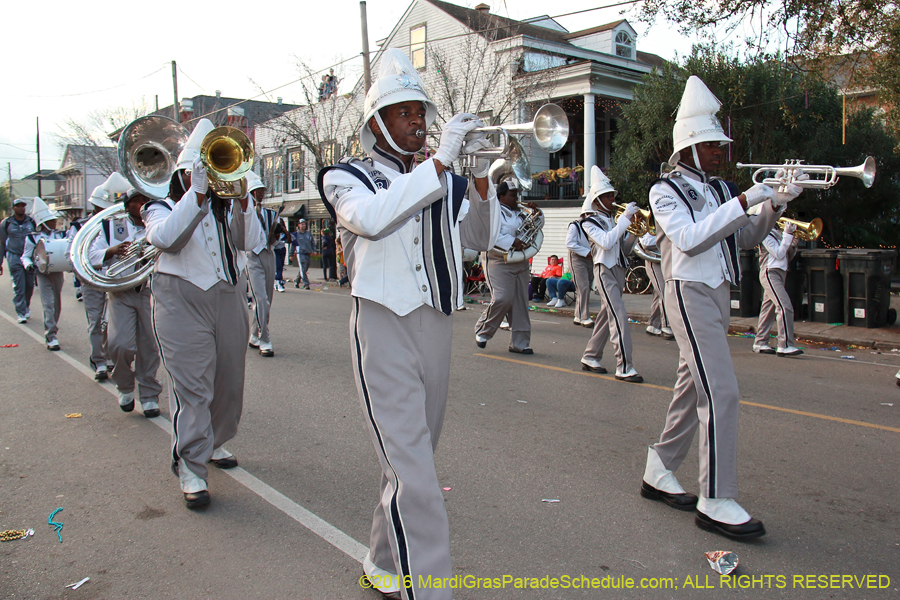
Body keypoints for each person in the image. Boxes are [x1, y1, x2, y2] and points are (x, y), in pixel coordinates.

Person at [318, 48, 498, 600]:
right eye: (403, 112)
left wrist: (483, 181)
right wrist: (441, 163)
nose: (417, 120)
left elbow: (479, 241)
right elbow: (372, 219)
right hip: (383, 325)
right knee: (414, 473)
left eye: (420, 109)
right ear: (376, 125)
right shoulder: (344, 177)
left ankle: (380, 561)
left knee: (413, 459)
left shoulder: (440, 175)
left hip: (437, 326)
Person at [641, 76, 804, 540]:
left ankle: (660, 467)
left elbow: (746, 239)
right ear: (688, 148)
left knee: (694, 388)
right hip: (688, 291)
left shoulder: (718, 189)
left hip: (717, 292)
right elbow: (690, 240)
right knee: (723, 392)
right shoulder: (664, 191)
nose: (720, 151)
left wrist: (773, 204)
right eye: (711, 144)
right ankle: (715, 498)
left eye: (720, 144)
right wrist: (745, 199)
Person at [143, 118, 265, 510]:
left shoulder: (227, 205)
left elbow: (251, 242)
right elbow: (167, 239)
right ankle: (191, 465)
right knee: (193, 386)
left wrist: (244, 200)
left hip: (228, 295)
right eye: (199, 171)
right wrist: (195, 196)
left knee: (229, 380)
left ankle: (214, 442)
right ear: (184, 173)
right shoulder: (159, 206)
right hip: (180, 299)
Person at [89, 188, 163, 417]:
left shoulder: (158, 221)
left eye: (144, 200)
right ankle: (125, 386)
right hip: (121, 291)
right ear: (127, 204)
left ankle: (149, 395)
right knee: (119, 345)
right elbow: (91, 255)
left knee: (149, 347)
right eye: (135, 200)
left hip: (150, 291)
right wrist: (111, 251)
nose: (140, 204)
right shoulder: (111, 226)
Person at [579, 167, 643, 383]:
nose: (611, 199)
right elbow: (606, 243)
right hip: (604, 270)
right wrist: (624, 220)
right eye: (606, 196)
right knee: (619, 316)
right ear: (596, 200)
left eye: (612, 195)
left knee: (608, 317)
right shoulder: (589, 221)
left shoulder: (612, 220)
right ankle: (624, 366)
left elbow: (622, 249)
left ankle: (591, 356)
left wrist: (633, 232)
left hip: (618, 269)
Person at [71, 173, 131, 379]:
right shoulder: (79, 227)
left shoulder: (118, 224)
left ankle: (110, 357)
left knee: (113, 321)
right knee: (96, 320)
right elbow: (73, 254)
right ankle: (99, 360)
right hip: (92, 279)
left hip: (114, 279)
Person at [474, 179, 541, 354]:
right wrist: (513, 241)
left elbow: (535, 227)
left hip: (520, 261)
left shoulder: (520, 212)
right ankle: (483, 329)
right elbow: (488, 235)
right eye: (512, 195)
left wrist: (537, 213)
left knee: (520, 302)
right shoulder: (492, 212)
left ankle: (520, 343)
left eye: (517, 194)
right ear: (501, 197)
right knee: (503, 298)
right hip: (498, 260)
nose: (516, 198)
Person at [21, 197, 67, 350]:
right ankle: (51, 335)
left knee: (57, 305)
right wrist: (28, 265)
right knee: (48, 304)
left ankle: (53, 327)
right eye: (51, 220)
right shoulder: (32, 237)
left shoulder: (60, 235)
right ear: (43, 222)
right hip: (42, 273)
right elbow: (26, 256)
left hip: (57, 273)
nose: (54, 223)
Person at [753, 222, 803, 356]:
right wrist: (787, 235)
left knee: (768, 309)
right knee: (784, 306)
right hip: (770, 272)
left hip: (780, 273)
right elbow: (778, 253)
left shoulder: (779, 234)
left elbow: (786, 257)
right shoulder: (764, 233)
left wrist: (793, 243)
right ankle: (785, 345)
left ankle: (760, 342)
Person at [245, 172, 278, 357]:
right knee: (260, 300)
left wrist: (277, 234)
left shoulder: (271, 213)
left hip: (268, 255)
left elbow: (274, 241)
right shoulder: (244, 213)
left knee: (268, 300)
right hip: (251, 256)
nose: (260, 194)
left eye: (261, 190)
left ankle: (254, 334)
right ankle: (265, 338)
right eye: (256, 190)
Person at [0, 197, 36, 323]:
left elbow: (37, 240)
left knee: (29, 285)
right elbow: (2, 243)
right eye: (18, 206)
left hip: (29, 257)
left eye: (23, 206)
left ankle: (26, 306)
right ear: (13, 208)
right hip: (14, 256)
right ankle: (21, 312)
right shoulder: (7, 223)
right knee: (19, 284)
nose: (21, 208)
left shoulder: (31, 221)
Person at [566, 197, 596, 326]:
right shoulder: (575, 226)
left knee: (585, 287)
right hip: (577, 258)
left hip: (590, 258)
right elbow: (570, 243)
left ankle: (578, 315)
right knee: (583, 286)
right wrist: (586, 252)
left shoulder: (595, 226)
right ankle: (584, 316)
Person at [639, 232, 674, 340]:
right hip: (654, 261)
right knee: (664, 292)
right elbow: (645, 242)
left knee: (658, 293)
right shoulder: (652, 225)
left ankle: (653, 325)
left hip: (666, 260)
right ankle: (666, 325)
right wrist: (667, 238)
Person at [292, 219, 313, 289]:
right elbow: (292, 245)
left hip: (308, 253)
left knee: (304, 269)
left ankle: (297, 280)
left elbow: (312, 242)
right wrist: (290, 254)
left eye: (304, 224)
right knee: (303, 269)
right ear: (299, 225)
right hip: (300, 253)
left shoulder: (308, 233)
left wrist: (314, 250)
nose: (304, 225)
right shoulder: (296, 234)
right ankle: (306, 284)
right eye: (302, 224)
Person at [272, 219, 288, 292]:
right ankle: (278, 282)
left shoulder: (283, 232)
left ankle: (277, 281)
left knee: (281, 266)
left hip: (282, 249)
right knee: (278, 266)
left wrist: (285, 231)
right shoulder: (274, 232)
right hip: (276, 250)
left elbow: (289, 240)